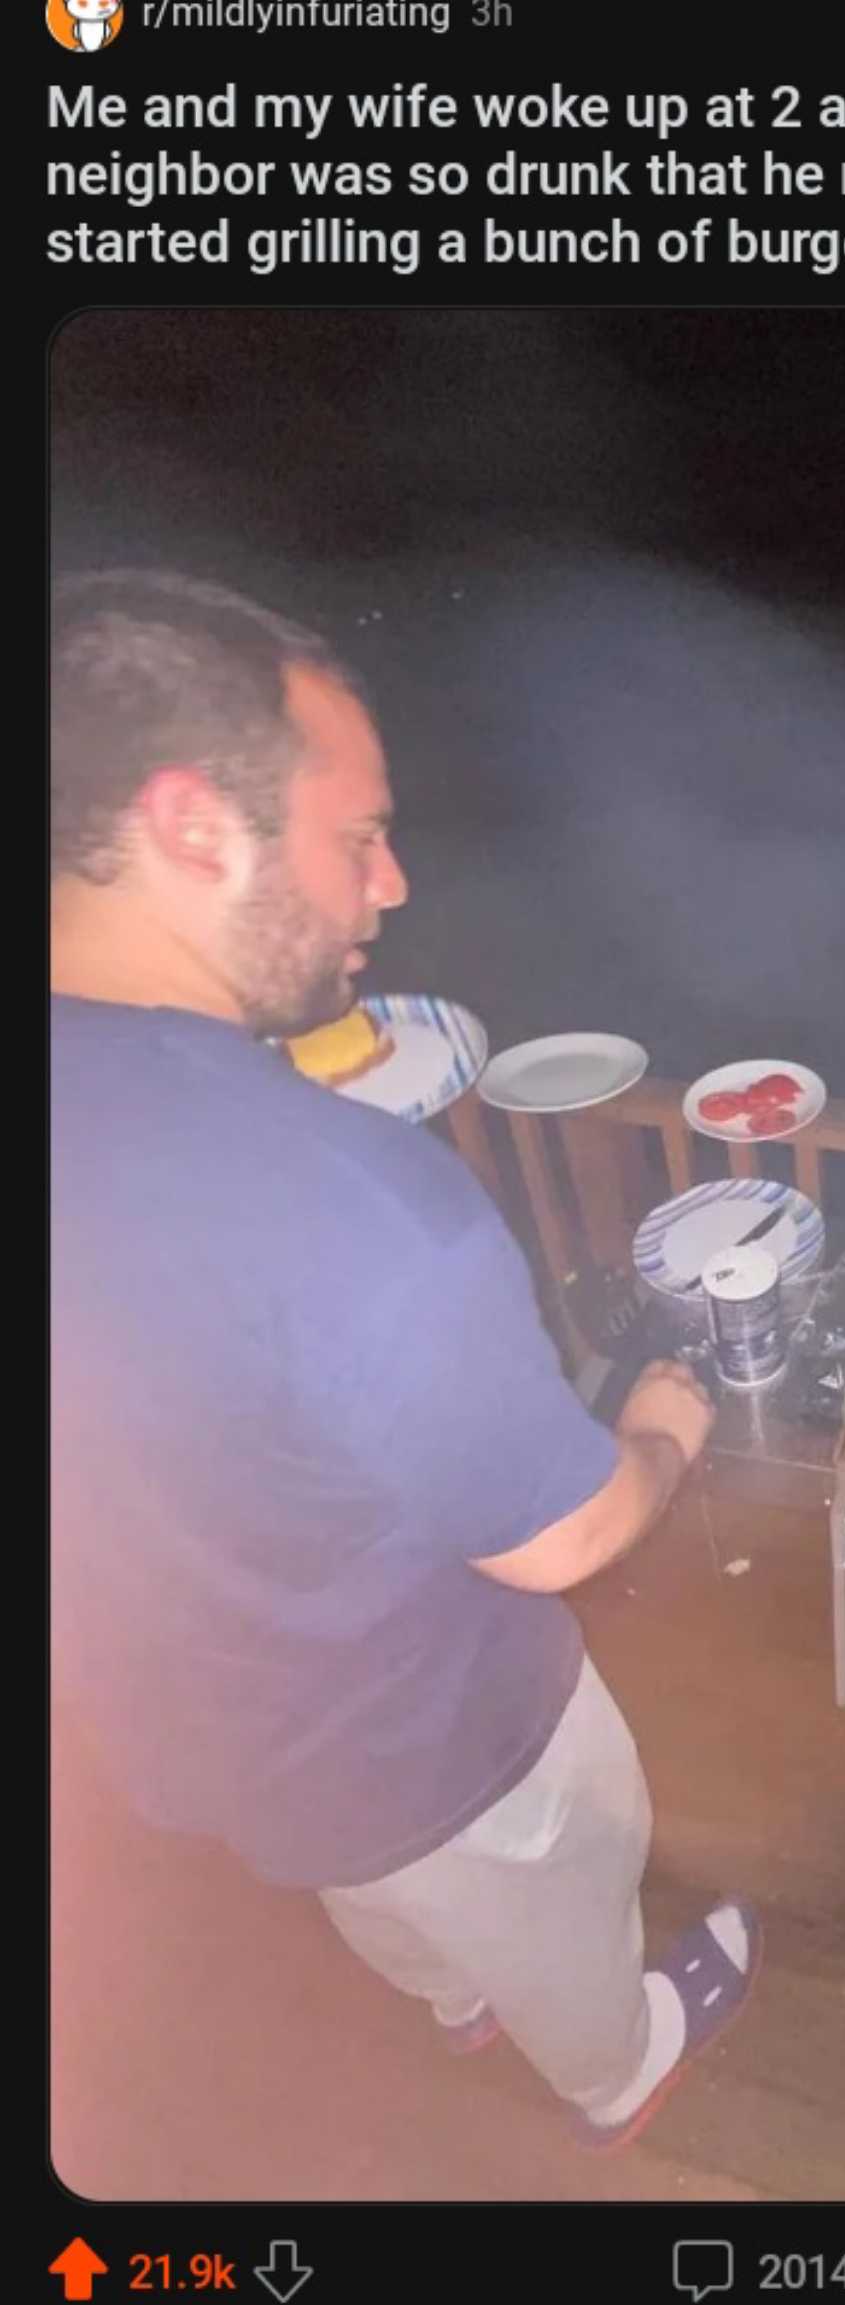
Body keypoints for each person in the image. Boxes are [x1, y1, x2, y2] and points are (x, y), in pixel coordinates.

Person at [50, 568, 759, 2153]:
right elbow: (561, 1537)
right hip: (440, 1745)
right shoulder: (367, 1214)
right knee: (563, 1882)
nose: (395, 881)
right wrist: (664, 1424)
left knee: (372, 1894)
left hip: (191, 1739)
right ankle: (616, 2063)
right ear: (190, 828)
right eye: (358, 834)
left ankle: (455, 1997)